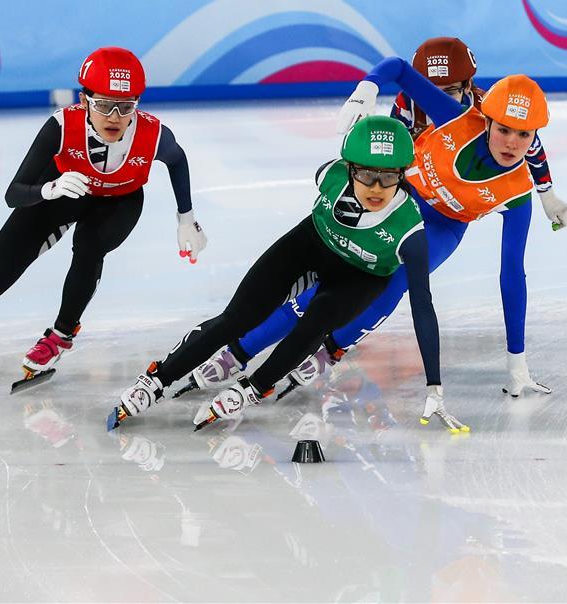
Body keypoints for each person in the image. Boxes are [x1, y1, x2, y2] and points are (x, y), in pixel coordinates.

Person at [189, 40, 567, 404]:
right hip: (400, 199)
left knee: (389, 286)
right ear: (487, 122)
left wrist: (516, 359)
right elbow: (399, 69)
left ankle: (330, 349)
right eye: (503, 129)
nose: (511, 143)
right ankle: (240, 350)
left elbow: (511, 275)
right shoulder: (457, 119)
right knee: (332, 275)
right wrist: (366, 89)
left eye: (523, 135)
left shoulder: (517, 193)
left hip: (442, 227)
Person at [107, 115, 466, 432]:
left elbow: (423, 304)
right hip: (311, 244)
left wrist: (434, 383)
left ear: (402, 175)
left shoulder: (409, 232)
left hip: (360, 277)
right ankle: (156, 379)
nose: (376, 188)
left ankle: (254, 386)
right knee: (237, 319)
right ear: (350, 167)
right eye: (367, 175)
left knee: (317, 321)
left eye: (388, 178)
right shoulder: (329, 175)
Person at [0, 47, 206, 382]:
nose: (114, 116)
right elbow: (14, 194)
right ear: (85, 101)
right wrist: (49, 190)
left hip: (119, 202)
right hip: (63, 194)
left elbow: (177, 160)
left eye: (125, 106)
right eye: (103, 105)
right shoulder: (61, 126)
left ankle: (60, 335)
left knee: (89, 246)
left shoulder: (153, 134)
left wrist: (186, 219)